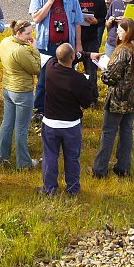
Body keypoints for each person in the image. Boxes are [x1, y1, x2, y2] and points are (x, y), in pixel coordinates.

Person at [92, 18, 134, 178]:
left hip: (119, 99)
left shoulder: (124, 50)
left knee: (109, 132)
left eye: (120, 30)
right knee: (126, 131)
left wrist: (103, 71)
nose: (117, 32)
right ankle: (123, 168)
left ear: (128, 31)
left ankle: (99, 169)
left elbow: (111, 76)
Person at [38, 43, 96, 196]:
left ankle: (49, 189)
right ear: (72, 57)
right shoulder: (79, 80)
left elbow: (67, 58)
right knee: (72, 158)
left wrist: (88, 55)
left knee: (50, 156)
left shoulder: (50, 67)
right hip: (71, 125)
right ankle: (72, 189)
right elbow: (86, 103)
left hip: (50, 123)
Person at [29, 0, 84, 118]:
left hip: (66, 46)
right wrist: (49, 2)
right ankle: (39, 110)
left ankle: (63, 107)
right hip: (46, 47)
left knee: (66, 79)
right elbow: (36, 18)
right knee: (44, 79)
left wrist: (78, 44)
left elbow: (78, 22)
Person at [0, 19, 42, 169]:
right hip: (22, 91)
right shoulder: (21, 50)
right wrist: (34, 49)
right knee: (22, 128)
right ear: (18, 33)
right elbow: (36, 68)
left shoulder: (5, 42)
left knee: (7, 122)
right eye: (28, 33)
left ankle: (2, 156)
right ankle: (24, 163)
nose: (31, 36)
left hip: (8, 88)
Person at [72, 0, 107, 104]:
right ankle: (72, 95)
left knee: (91, 70)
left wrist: (96, 21)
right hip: (74, 39)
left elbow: (103, 18)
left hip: (91, 39)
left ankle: (92, 98)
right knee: (69, 68)